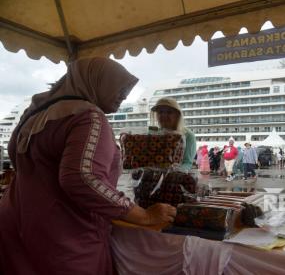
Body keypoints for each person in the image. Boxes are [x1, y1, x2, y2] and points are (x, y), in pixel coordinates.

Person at [0, 58, 176, 274]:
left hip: (16, 224)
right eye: (119, 87)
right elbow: (83, 178)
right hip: (63, 236)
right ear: (96, 82)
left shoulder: (33, 115)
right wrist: (142, 215)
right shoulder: (88, 116)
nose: (124, 95)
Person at [150, 97, 196, 172]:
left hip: (176, 178)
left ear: (177, 115)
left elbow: (187, 162)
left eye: (169, 112)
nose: (164, 115)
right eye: (160, 112)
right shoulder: (153, 134)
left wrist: (176, 171)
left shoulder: (188, 135)